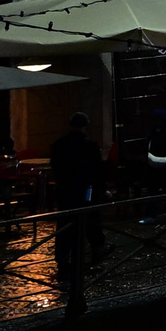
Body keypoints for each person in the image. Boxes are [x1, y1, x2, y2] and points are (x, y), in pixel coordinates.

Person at [50, 111, 106, 261]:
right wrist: (102, 189)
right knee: (90, 221)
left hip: (65, 190)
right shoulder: (90, 145)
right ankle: (95, 251)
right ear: (85, 126)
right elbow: (97, 169)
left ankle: (62, 256)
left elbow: (55, 167)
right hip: (85, 190)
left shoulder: (59, 144)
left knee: (65, 225)